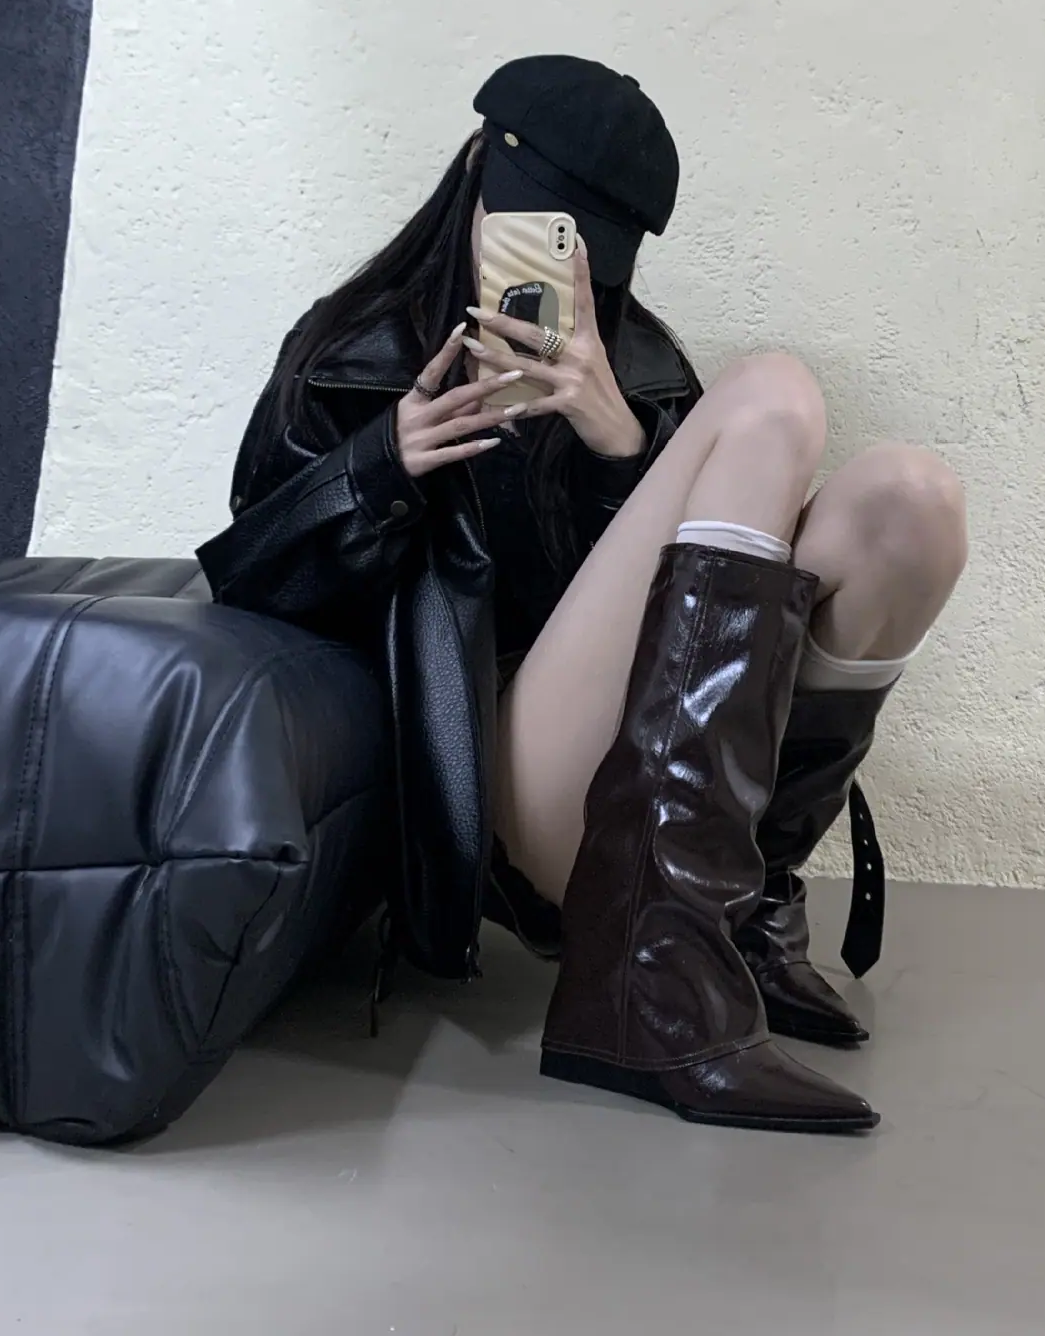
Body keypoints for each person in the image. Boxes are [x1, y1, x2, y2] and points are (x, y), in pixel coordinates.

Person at [197, 56, 968, 1134]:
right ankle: (650, 988)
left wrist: (622, 451)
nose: (564, 267)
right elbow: (246, 587)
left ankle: (737, 918)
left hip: (652, 791)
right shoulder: (348, 356)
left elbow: (681, 643)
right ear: (480, 168)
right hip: (499, 794)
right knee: (775, 390)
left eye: (586, 246)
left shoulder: (640, 373)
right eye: (543, 224)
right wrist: (379, 469)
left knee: (910, 502)